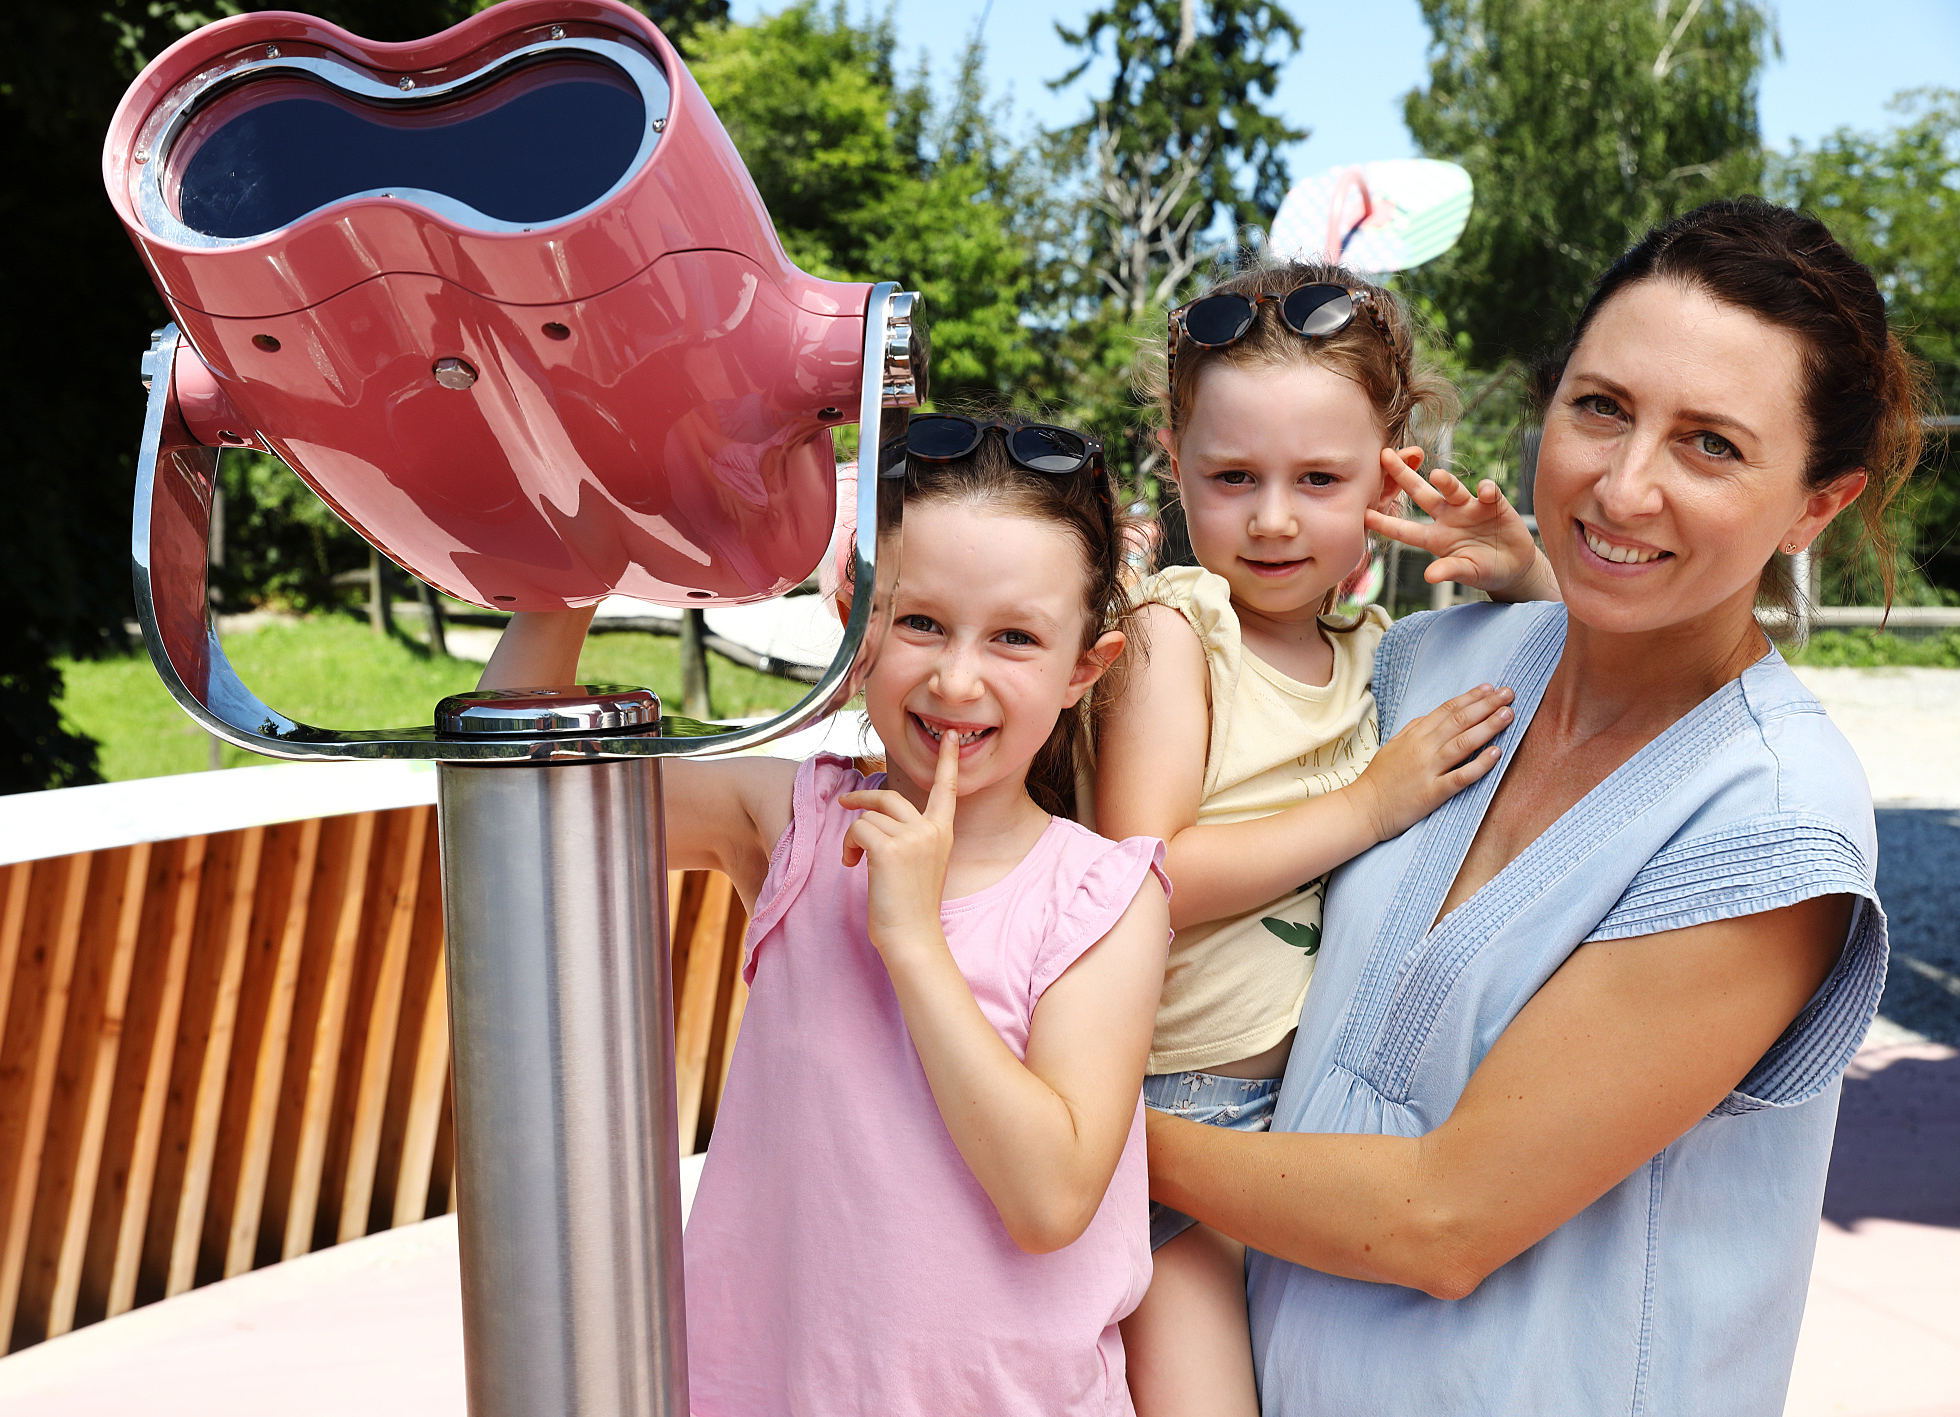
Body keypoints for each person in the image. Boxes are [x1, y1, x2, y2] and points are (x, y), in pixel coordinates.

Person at [1144, 199, 1918, 1414]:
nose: (1622, 484)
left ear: (1814, 505)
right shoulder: (1430, 664)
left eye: (1710, 445)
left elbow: (1443, 1219)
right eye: (1600, 407)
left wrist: (1076, 1137)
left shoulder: (1766, 820)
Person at [480, 413, 1172, 1416]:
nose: (955, 677)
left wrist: (911, 940)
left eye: (1014, 637)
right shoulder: (793, 820)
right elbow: (518, 800)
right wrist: (592, 559)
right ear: (854, 622)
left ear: (1082, 667)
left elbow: (1049, 1196)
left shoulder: (1101, 895)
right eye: (920, 622)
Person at [1095, 260, 1550, 1416]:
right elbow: (1136, 883)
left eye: (1319, 477)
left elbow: (1557, 703)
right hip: (1170, 1117)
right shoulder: (1174, 633)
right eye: (1231, 476)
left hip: (1310, 1125)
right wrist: (1366, 805)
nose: (1274, 518)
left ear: (1390, 461)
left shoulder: (1378, 644)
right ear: (1172, 455)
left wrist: (1528, 578)